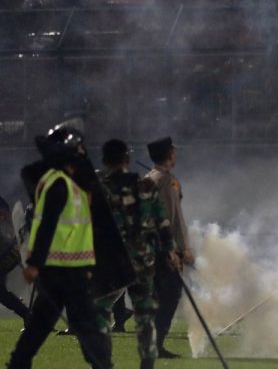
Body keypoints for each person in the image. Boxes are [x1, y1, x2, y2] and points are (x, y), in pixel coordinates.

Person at [7, 127, 112, 369]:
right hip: (68, 271)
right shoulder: (61, 185)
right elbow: (48, 226)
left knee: (39, 325)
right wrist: (34, 264)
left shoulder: (62, 182)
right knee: (88, 327)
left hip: (59, 270)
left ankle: (17, 364)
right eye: (79, 149)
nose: (83, 153)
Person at [96, 139, 179, 369]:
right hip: (142, 260)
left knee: (100, 311)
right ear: (127, 160)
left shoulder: (99, 189)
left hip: (111, 261)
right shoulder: (145, 187)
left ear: (104, 161)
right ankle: (147, 364)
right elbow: (162, 223)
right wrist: (171, 251)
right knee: (145, 317)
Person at [145, 137, 192, 359]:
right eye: (173, 151)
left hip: (151, 248)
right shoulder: (166, 181)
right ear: (169, 154)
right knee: (170, 294)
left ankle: (152, 344)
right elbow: (172, 219)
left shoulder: (151, 178)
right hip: (165, 249)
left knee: (158, 297)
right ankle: (156, 344)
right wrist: (181, 249)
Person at [0, 196, 28, 321]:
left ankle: (28, 315)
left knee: (1, 293)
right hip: (7, 249)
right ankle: (28, 314)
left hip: (6, 252)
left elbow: (7, 220)